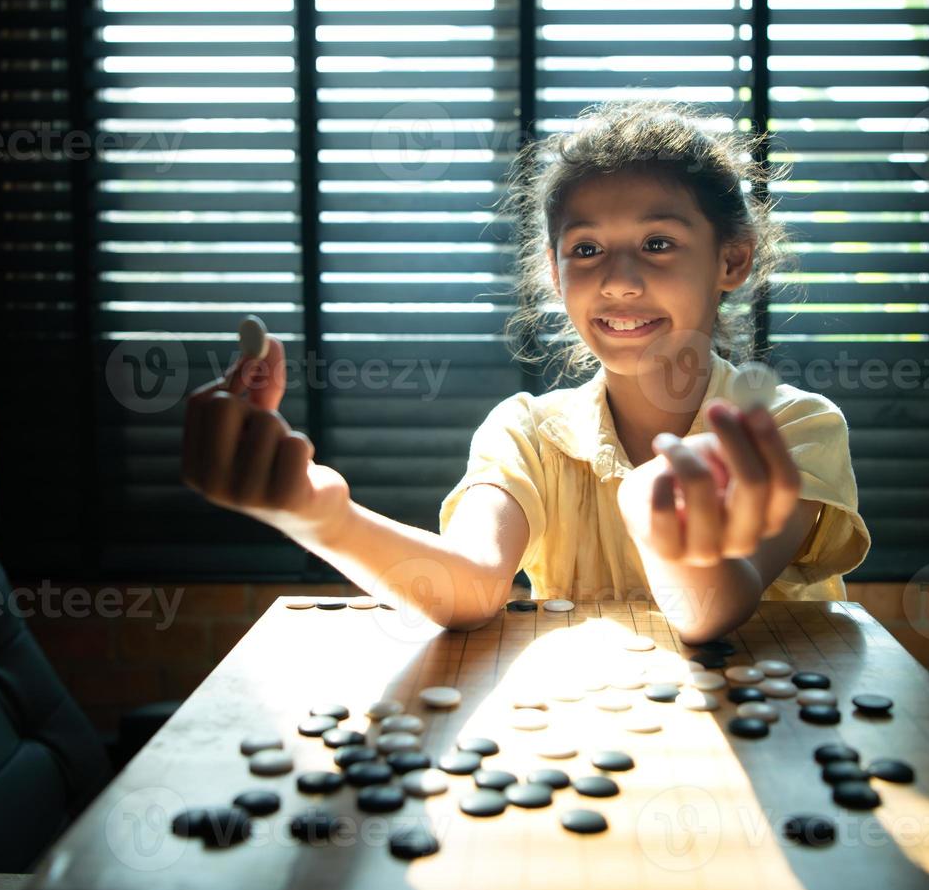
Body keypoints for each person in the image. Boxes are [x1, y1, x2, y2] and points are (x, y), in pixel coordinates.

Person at [180, 100, 869, 643]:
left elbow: (709, 613)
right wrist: (316, 512)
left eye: (658, 243)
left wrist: (661, 532)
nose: (620, 281)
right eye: (587, 248)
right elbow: (472, 586)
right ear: (553, 272)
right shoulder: (526, 432)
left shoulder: (791, 427)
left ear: (731, 262)